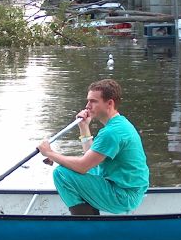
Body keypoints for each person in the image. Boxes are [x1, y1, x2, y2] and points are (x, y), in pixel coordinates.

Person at [38, 79, 149, 215]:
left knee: (61, 173)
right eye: (88, 101)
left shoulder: (111, 132)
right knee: (76, 167)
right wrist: (84, 127)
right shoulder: (119, 124)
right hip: (128, 190)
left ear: (110, 103)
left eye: (93, 101)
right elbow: (89, 159)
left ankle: (87, 224)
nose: (87, 106)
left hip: (124, 196)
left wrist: (50, 153)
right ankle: (89, 214)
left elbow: (83, 166)